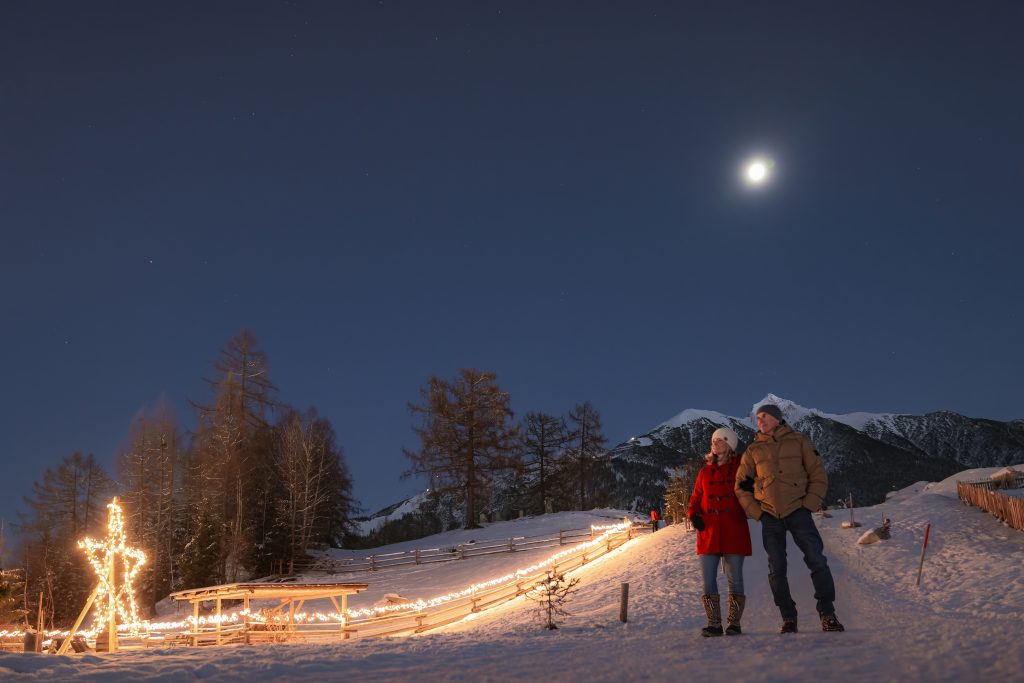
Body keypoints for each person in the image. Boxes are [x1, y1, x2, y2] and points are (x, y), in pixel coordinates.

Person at [734, 403, 845, 633]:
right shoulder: (753, 450)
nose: (759, 421)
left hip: (798, 511)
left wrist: (809, 505)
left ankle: (827, 613)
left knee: (817, 560)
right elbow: (741, 486)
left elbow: (818, 473)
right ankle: (788, 618)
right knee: (776, 568)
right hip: (770, 516)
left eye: (764, 416)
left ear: (777, 418)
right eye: (757, 417)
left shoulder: (799, 441)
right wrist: (757, 513)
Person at [686, 427, 752, 637]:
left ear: (730, 444)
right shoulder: (704, 472)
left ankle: (734, 624)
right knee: (708, 579)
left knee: (735, 578)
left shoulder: (741, 468)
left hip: (734, 528)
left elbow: (752, 492)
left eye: (720, 440)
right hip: (709, 531)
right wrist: (694, 516)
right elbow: (695, 499)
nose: (715, 443)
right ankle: (714, 623)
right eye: (713, 441)